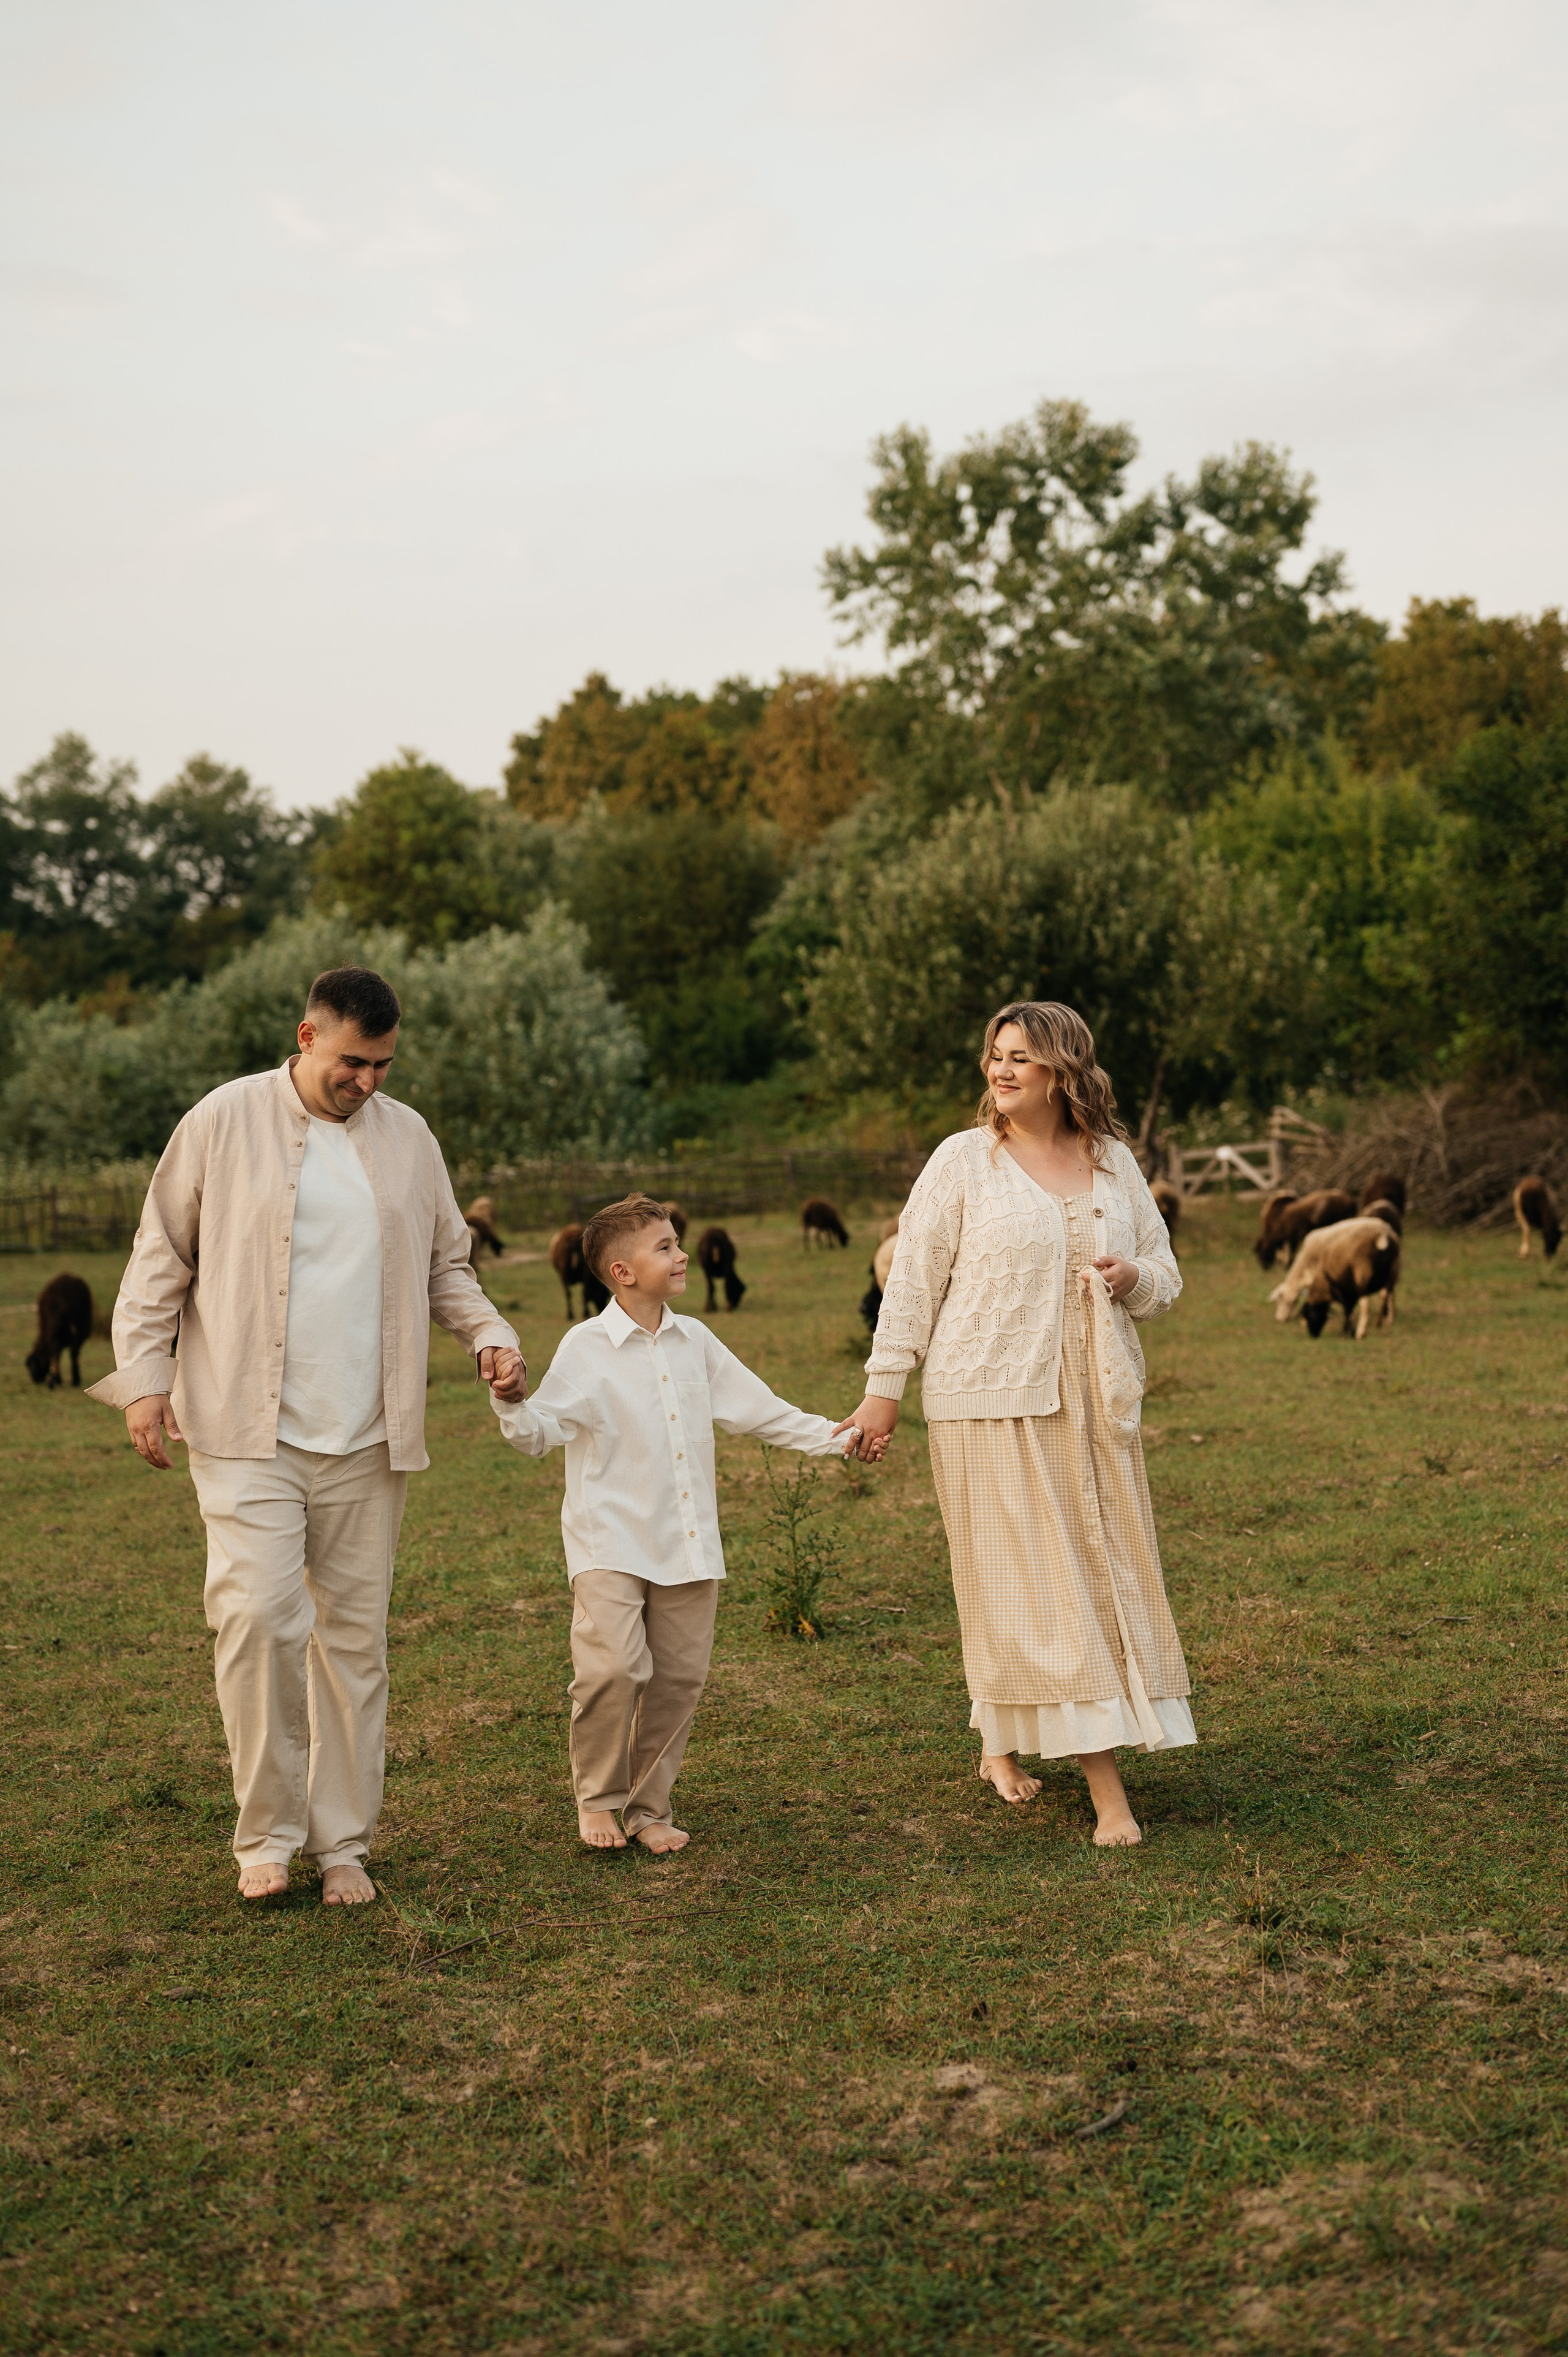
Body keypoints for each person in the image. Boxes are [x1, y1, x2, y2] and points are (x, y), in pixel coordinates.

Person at [87, 967, 526, 1904]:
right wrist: (142, 1383)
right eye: (353, 1063)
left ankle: (344, 1846)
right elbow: (160, 1255)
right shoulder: (222, 1121)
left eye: (384, 1065)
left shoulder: (410, 1139)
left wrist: (489, 1333)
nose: (368, 1082)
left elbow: (449, 1264)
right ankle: (267, 1839)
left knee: (353, 1644)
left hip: (370, 1438)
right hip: (248, 1429)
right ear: (307, 1036)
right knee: (257, 1623)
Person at [837, 1001, 1191, 1847]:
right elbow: (914, 1280)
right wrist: (884, 1388)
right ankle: (1110, 1798)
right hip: (986, 1401)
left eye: (1021, 1059)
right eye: (994, 1056)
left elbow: (1168, 1277)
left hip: (1095, 1402)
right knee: (1042, 1586)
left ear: (1064, 1070)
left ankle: (1000, 1741)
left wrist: (1131, 1273)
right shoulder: (963, 1162)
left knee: (1079, 1578)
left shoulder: (1113, 1162)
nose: (1001, 1072)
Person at [484, 1194, 881, 1854]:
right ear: (621, 1271)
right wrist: (512, 1402)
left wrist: (840, 1438)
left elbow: (761, 1410)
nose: (681, 1254)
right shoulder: (584, 1347)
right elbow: (538, 1434)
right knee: (612, 1667)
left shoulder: (696, 1339)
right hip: (609, 1539)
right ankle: (599, 1798)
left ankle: (648, 1807)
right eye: (664, 1246)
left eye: (676, 1242)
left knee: (677, 1679)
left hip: (688, 1539)